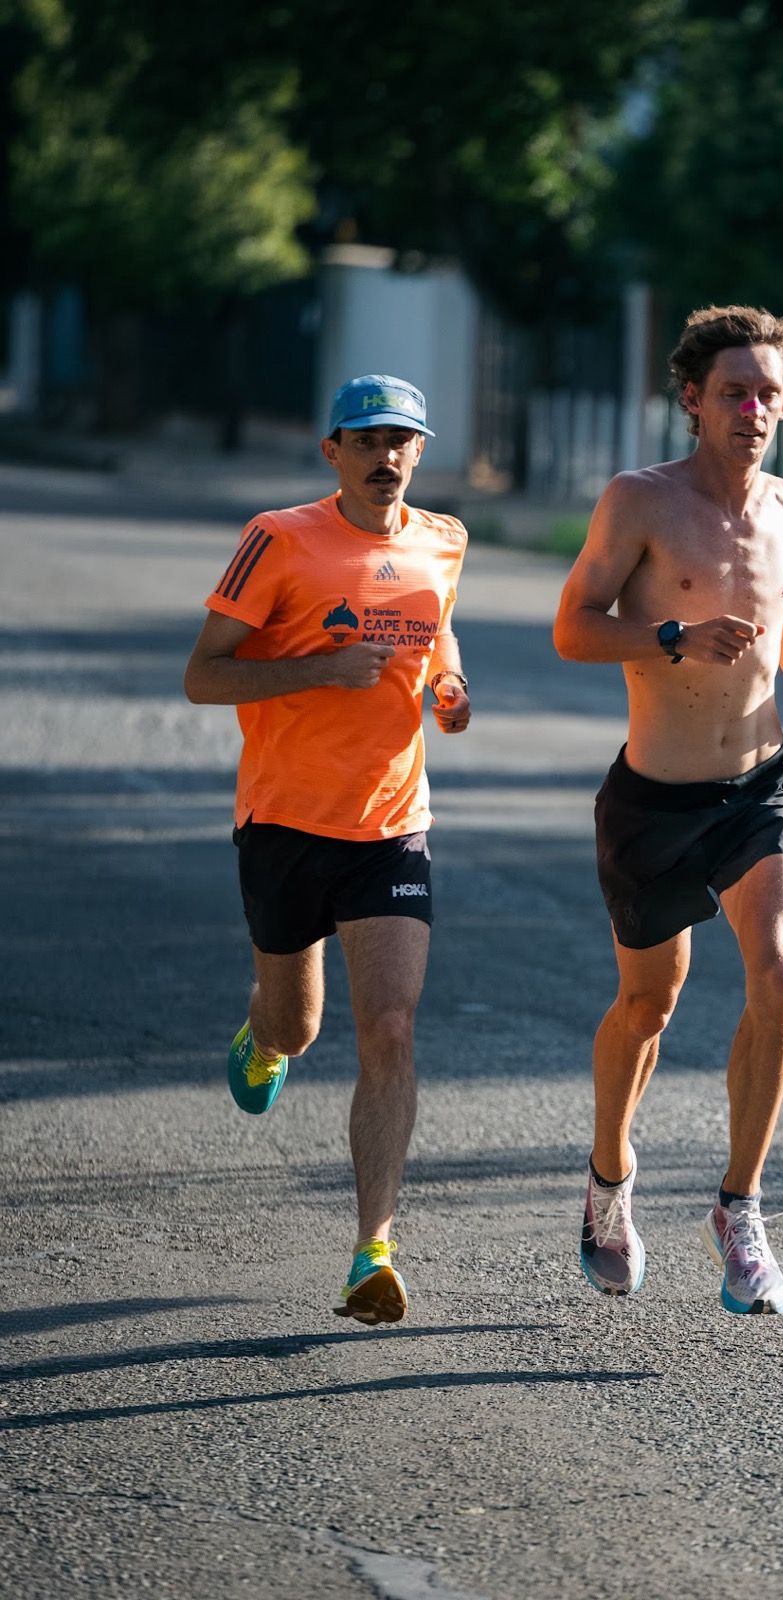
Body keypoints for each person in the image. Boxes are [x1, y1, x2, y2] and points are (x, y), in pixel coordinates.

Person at [553, 305, 783, 1315]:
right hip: (654, 802)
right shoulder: (639, 500)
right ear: (692, 398)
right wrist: (673, 636)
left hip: (762, 784)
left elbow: (781, 598)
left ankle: (739, 1207)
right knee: (649, 1005)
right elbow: (572, 627)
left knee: (781, 974)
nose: (752, 409)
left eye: (768, 393)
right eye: (733, 392)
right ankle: (609, 1179)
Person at [184, 374, 470, 1326]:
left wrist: (448, 687)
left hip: (391, 823)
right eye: (367, 440)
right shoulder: (279, 538)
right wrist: (322, 669)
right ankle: (262, 1037)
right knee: (297, 1027)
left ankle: (371, 1252)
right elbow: (203, 676)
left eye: (402, 441)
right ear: (333, 452)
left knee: (390, 1027)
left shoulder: (444, 538)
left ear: (419, 451)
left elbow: (438, 630)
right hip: (284, 821)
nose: (386, 457)